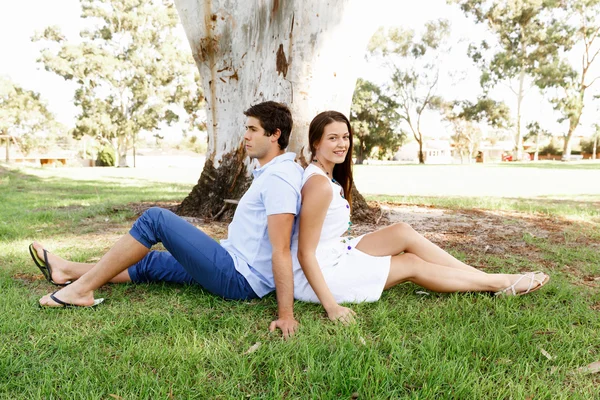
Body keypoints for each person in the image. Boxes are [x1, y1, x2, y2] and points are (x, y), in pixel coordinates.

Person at [34, 101, 303, 338]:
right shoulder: (271, 173)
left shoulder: (279, 179)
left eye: (253, 129)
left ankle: (80, 291)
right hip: (231, 260)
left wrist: (286, 314)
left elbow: (280, 249)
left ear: (275, 134)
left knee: (155, 219)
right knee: (150, 262)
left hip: (239, 278)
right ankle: (67, 270)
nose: (245, 136)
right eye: (246, 128)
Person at [292, 111, 550, 323]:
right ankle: (499, 283)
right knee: (411, 264)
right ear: (316, 142)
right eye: (333, 138)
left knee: (402, 231)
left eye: (345, 137)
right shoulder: (318, 185)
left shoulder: (325, 175)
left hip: (336, 253)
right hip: (322, 273)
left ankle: (485, 279)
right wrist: (332, 307)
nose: (342, 144)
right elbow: (305, 253)